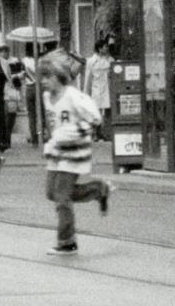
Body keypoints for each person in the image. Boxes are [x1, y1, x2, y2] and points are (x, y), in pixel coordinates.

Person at [40, 55, 110, 255]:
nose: (44, 81)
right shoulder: (47, 98)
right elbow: (53, 124)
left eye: (48, 77)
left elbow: (95, 119)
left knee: (62, 197)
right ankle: (98, 189)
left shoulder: (73, 95)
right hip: (57, 150)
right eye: (42, 77)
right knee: (51, 193)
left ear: (59, 76)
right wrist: (52, 141)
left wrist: (74, 131)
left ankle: (67, 242)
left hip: (75, 151)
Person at [83, 37, 113, 141]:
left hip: (108, 89)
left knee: (108, 112)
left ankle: (105, 132)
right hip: (96, 90)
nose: (107, 48)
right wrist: (85, 92)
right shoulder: (91, 61)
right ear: (100, 49)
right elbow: (88, 77)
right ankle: (95, 133)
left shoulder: (109, 59)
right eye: (105, 47)